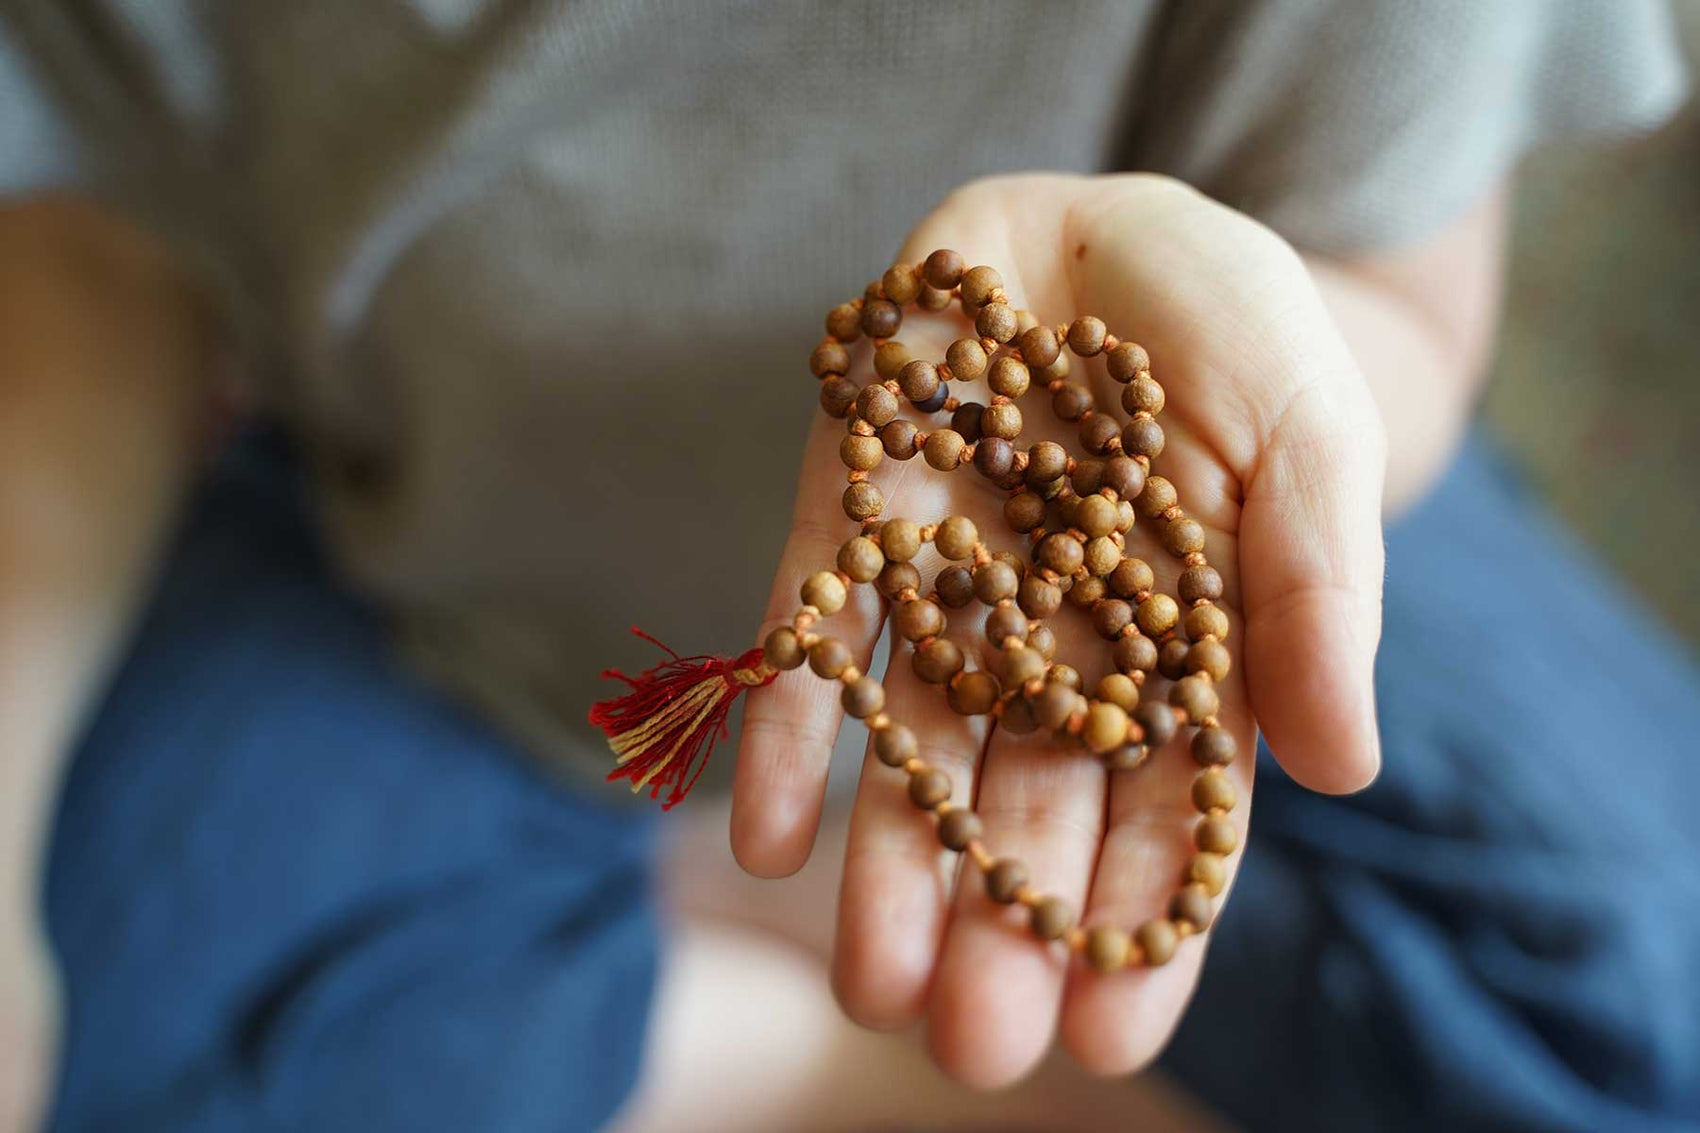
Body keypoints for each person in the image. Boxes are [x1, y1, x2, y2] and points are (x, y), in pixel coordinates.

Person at [0, 2, 1694, 1130]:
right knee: (117, 1040)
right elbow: (89, 221)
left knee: (1655, 1010)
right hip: (436, 590)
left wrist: (1273, 365)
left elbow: (1400, 302)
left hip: (1236, 489)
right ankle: (773, 976)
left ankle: (688, 951)